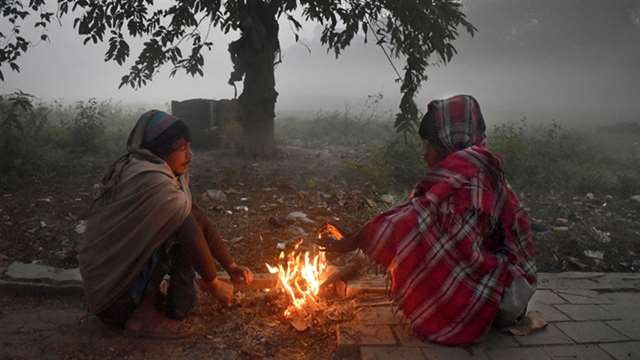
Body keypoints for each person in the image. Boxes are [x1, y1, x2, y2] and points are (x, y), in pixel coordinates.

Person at [317, 95, 536, 346]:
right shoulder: (470, 168)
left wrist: (360, 239)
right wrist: (361, 235)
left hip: (504, 294)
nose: (424, 154)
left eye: (429, 145)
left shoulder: (471, 179)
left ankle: (458, 317)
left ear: (448, 142)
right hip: (503, 286)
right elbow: (418, 212)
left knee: (428, 242)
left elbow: (421, 222)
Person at [79, 110, 253, 339]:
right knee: (180, 232)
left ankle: (169, 307)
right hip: (113, 299)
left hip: (115, 292)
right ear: (160, 149)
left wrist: (230, 266)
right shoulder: (149, 179)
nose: (190, 155)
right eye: (181, 148)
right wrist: (214, 285)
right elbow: (188, 227)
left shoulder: (159, 172)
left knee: (184, 225)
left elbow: (198, 218)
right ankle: (141, 317)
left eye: (189, 146)